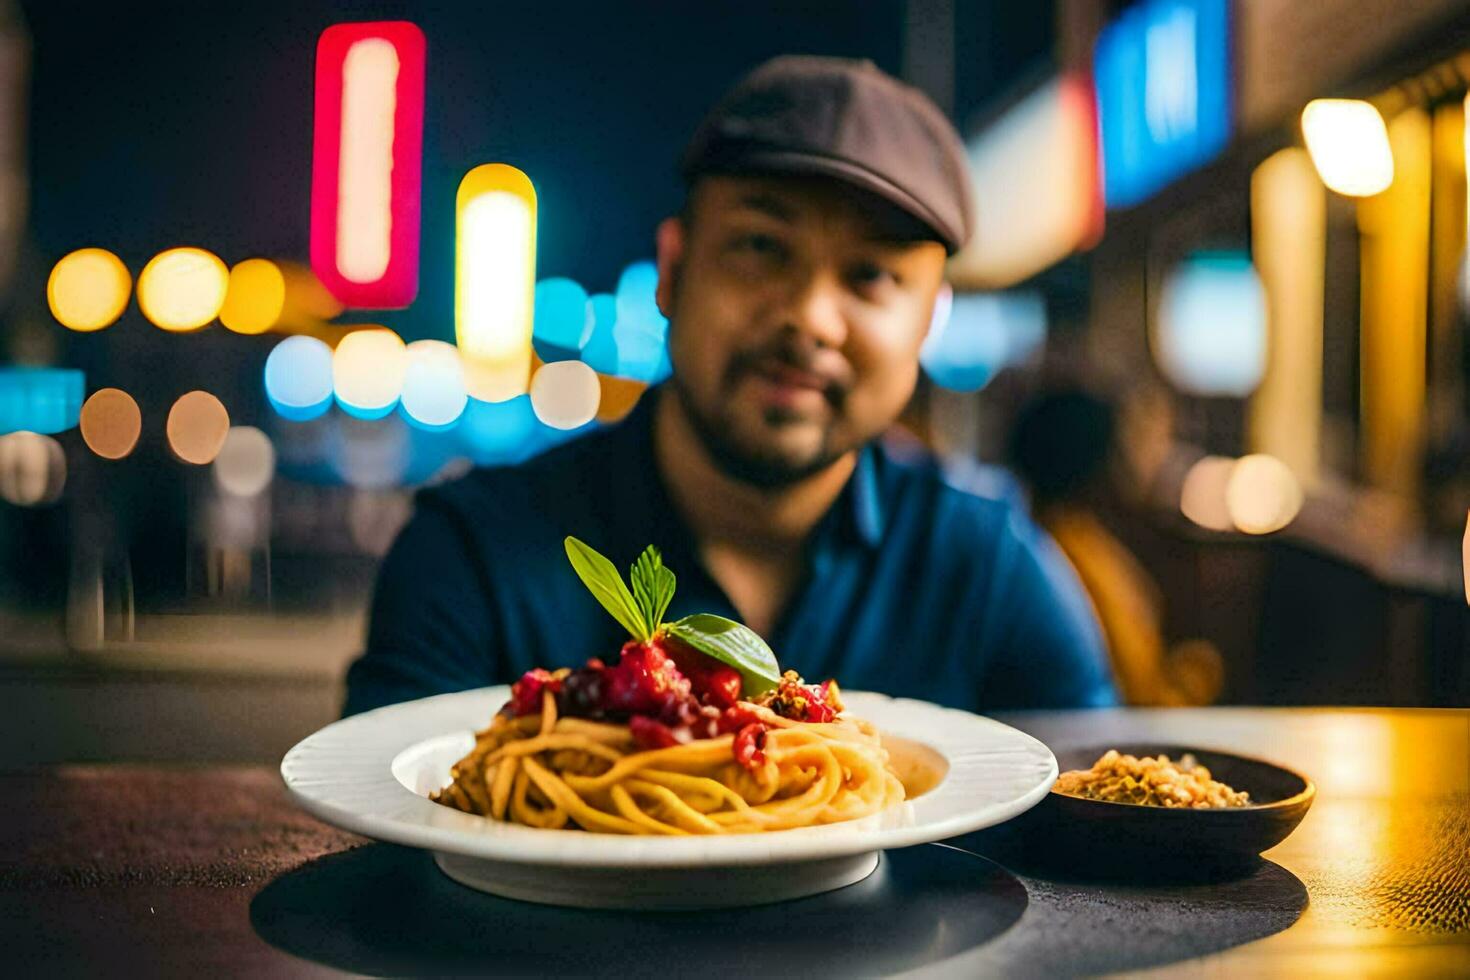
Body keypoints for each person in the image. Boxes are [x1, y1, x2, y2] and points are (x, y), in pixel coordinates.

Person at [343, 56, 1116, 716]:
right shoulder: (474, 553)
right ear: (674, 271)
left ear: (928, 323)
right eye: (759, 246)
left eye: (872, 276)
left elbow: (1101, 823)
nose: (810, 318)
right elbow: (387, 838)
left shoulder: (986, 562)